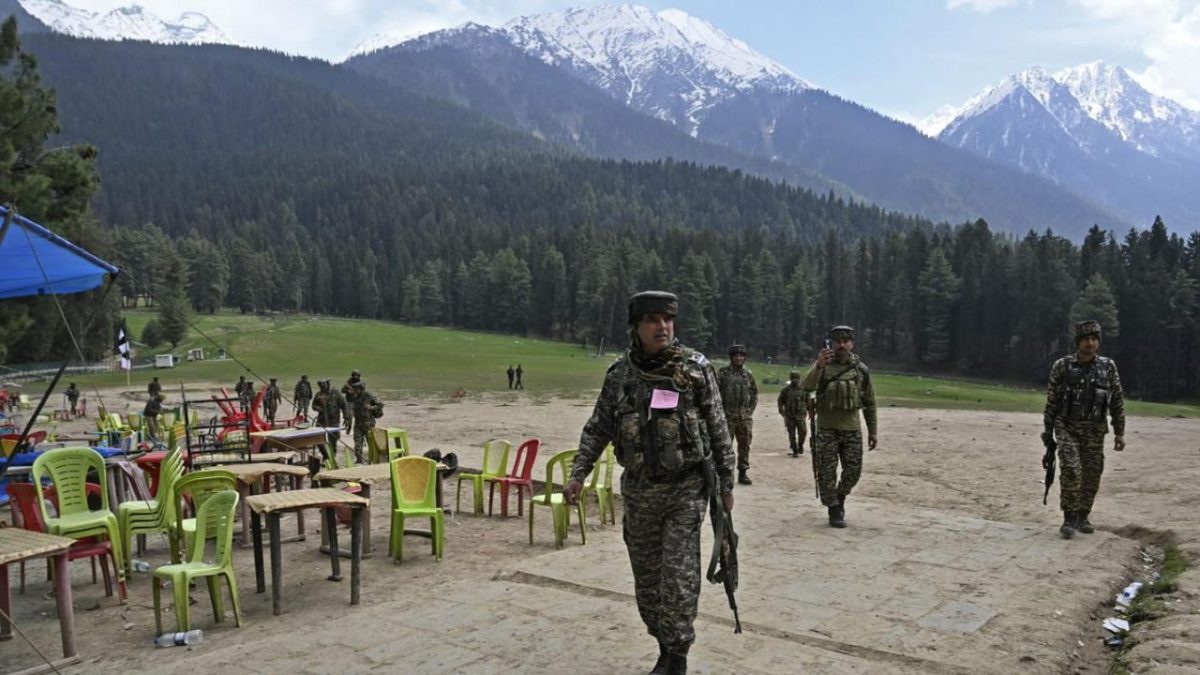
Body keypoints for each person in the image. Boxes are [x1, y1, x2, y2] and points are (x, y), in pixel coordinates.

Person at [564, 290, 735, 675]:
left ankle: (676, 656)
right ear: (636, 327)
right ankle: (663, 643)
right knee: (648, 583)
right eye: (652, 320)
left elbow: (718, 427)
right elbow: (598, 428)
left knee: (677, 579)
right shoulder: (620, 375)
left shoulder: (694, 369)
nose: (662, 327)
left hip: (685, 490)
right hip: (640, 493)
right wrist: (579, 473)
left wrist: (726, 486)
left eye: (667, 319)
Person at [1042, 320, 1126, 539]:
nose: (1091, 343)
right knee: (1071, 469)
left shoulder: (1108, 367)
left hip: (1095, 431)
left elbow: (1116, 400)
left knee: (1092, 473)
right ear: (1078, 342)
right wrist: (1047, 431)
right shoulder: (1062, 366)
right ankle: (1068, 518)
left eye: (1094, 339)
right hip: (1067, 427)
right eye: (1086, 339)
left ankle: (1082, 515)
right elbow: (1052, 401)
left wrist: (1120, 432)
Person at [801, 326, 878, 528]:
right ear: (832, 344)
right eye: (838, 342)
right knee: (826, 471)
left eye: (846, 341)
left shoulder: (861, 369)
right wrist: (818, 366)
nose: (842, 345)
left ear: (852, 344)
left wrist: (873, 431)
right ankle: (833, 508)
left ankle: (841, 495)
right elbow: (806, 386)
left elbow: (869, 402)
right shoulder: (823, 366)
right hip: (827, 428)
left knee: (853, 471)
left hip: (852, 428)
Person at [717, 344, 758, 485]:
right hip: (727, 417)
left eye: (741, 356)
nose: (739, 358)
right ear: (731, 358)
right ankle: (725, 474)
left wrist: (749, 411)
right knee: (725, 447)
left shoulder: (748, 374)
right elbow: (715, 394)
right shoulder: (722, 374)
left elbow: (754, 394)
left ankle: (743, 473)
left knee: (744, 446)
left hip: (744, 418)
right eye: (736, 356)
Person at [777, 371, 809, 456]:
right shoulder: (785, 390)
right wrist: (782, 412)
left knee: (803, 432)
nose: (795, 380)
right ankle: (795, 450)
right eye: (793, 378)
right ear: (790, 379)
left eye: (797, 378)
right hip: (789, 415)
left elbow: (808, 401)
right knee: (791, 434)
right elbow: (780, 401)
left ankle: (800, 445)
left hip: (800, 415)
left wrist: (810, 411)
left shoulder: (804, 390)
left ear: (799, 379)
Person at [350, 381, 383, 464]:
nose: (355, 391)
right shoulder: (355, 398)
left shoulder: (369, 396)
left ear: (361, 389)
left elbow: (380, 405)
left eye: (356, 389)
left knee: (371, 442)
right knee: (358, 442)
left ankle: (374, 459)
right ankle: (359, 459)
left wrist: (371, 408)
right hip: (358, 423)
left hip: (368, 423)